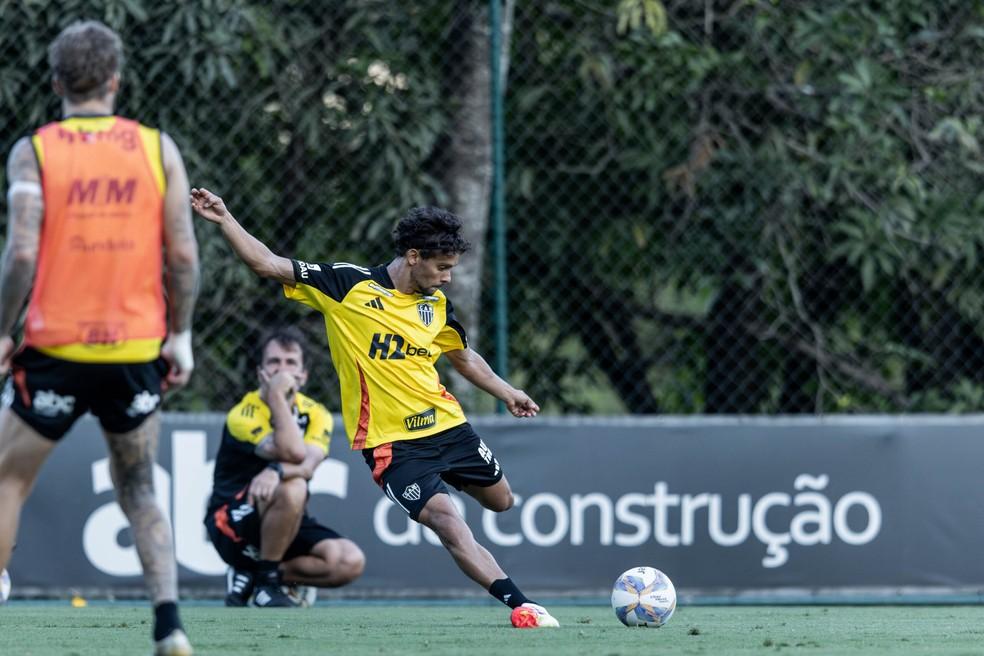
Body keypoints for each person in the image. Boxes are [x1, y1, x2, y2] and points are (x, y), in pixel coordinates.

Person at [191, 188, 559, 628]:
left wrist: (507, 391)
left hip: (448, 427)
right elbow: (266, 263)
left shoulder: (436, 304)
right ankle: (522, 606)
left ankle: (456, 491)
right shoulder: (348, 286)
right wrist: (226, 217)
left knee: (502, 502)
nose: (446, 278)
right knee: (448, 521)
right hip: (392, 445)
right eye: (441, 268)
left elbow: (462, 357)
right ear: (412, 255)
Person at [0, 21, 198, 656]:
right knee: (140, 489)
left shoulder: (35, 151)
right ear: (115, 80)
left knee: (7, 482)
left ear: (56, 81)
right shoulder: (156, 148)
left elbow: (21, 256)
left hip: (55, 349)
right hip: (136, 349)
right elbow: (185, 258)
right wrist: (182, 336)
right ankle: (169, 624)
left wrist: (4, 331)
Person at [204, 327, 365, 607]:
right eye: (274, 362)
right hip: (231, 522)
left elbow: (309, 464)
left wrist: (275, 471)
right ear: (261, 373)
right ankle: (266, 586)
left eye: (291, 363)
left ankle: (258, 576)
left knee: (349, 561)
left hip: (284, 521)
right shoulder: (243, 414)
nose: (282, 370)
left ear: (303, 375)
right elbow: (293, 453)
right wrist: (277, 397)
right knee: (294, 487)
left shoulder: (317, 414)